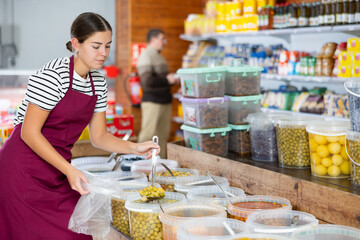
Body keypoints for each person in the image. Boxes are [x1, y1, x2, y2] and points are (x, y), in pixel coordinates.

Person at [0, 12, 159, 240]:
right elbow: (29, 133)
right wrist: (69, 170)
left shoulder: (98, 82)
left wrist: (135, 148)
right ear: (76, 43)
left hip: (57, 170)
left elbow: (99, 137)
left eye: (107, 46)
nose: (103, 53)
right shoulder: (53, 76)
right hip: (23, 170)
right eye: (96, 46)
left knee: (79, 233)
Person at [137, 29, 179, 158]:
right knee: (147, 135)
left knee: (162, 136)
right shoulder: (146, 55)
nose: (165, 42)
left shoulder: (159, 55)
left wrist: (171, 79)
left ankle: (162, 164)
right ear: (153, 40)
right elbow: (147, 81)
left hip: (164, 101)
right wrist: (167, 79)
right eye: (163, 39)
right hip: (152, 102)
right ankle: (139, 163)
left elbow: (161, 79)